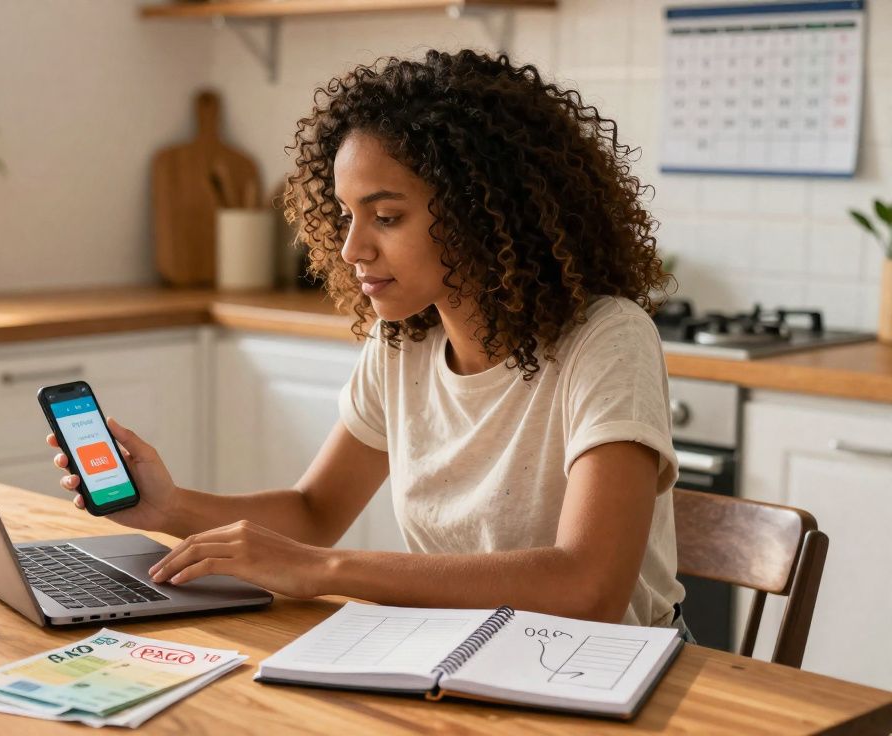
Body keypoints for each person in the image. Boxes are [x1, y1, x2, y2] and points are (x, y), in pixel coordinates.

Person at [48, 50, 690, 636]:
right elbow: (314, 511)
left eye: (386, 217)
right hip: (464, 652)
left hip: (615, 670)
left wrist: (324, 569)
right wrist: (171, 506)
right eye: (346, 215)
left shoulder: (607, 338)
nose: (353, 248)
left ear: (482, 211)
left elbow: (589, 588)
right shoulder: (404, 341)